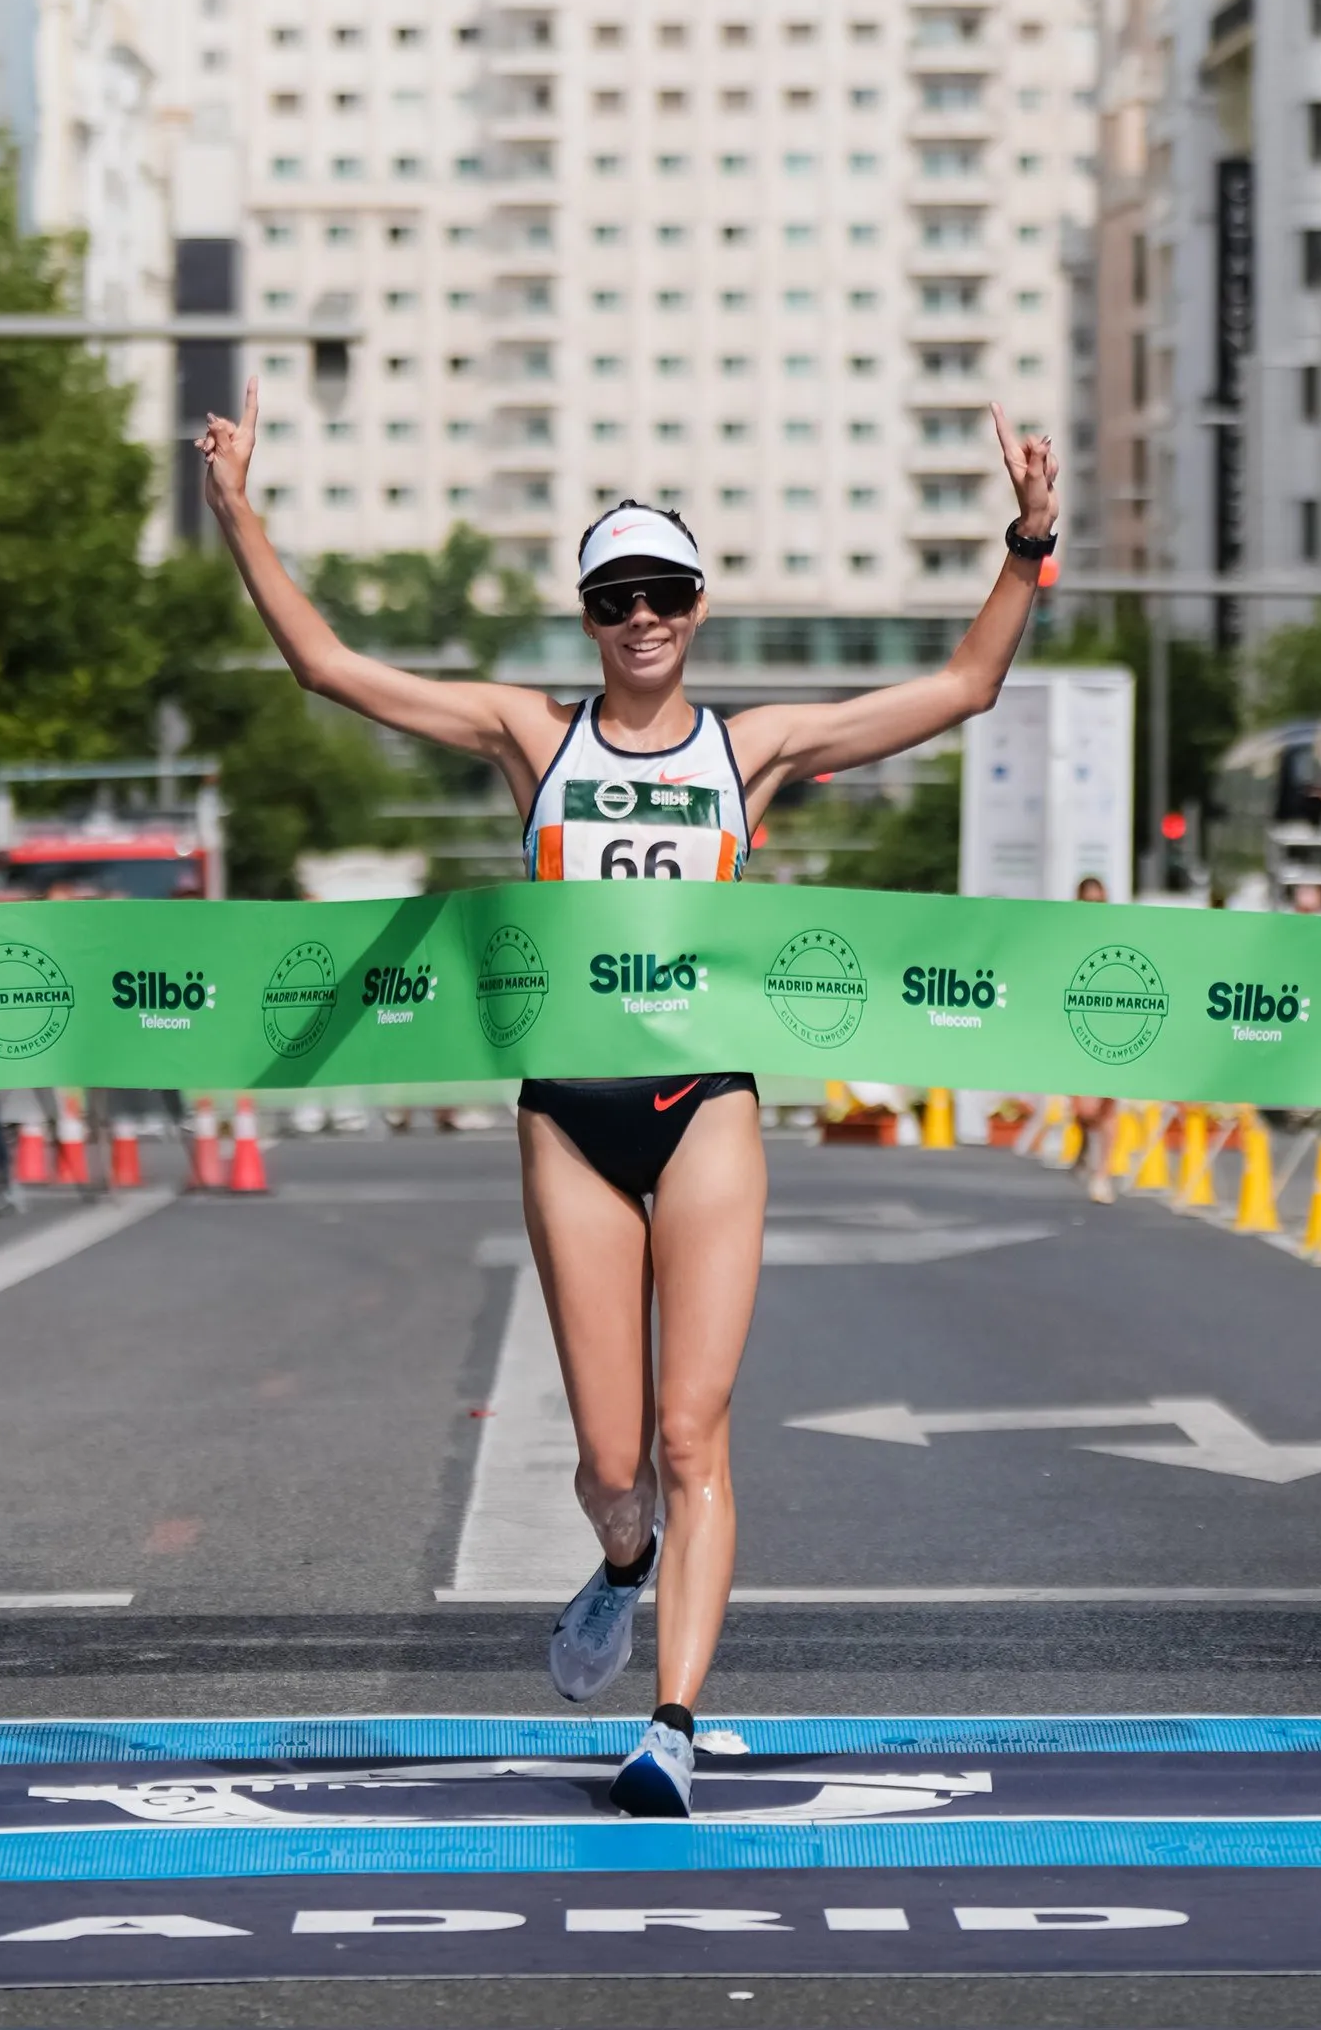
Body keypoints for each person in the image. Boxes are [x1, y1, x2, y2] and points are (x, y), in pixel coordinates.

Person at [199, 378, 1060, 1816]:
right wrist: (239, 515)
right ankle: (617, 1560)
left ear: (699, 605)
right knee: (612, 1465)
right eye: (617, 598)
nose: (643, 617)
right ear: (589, 616)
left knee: (688, 1434)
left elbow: (961, 689)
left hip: (704, 1103)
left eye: (664, 592)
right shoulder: (531, 736)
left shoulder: (752, 748)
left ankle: (669, 1720)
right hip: (569, 1114)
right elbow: (331, 672)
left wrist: (1025, 545)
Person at [1069, 875, 1119, 1205]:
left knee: (1109, 1105)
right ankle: (1086, 1140)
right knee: (1086, 1109)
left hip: (1114, 1026)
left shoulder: (1116, 934)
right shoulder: (1070, 938)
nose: (1094, 908)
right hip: (1078, 1026)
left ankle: (1103, 1175)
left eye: (1098, 901)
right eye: (1088, 901)